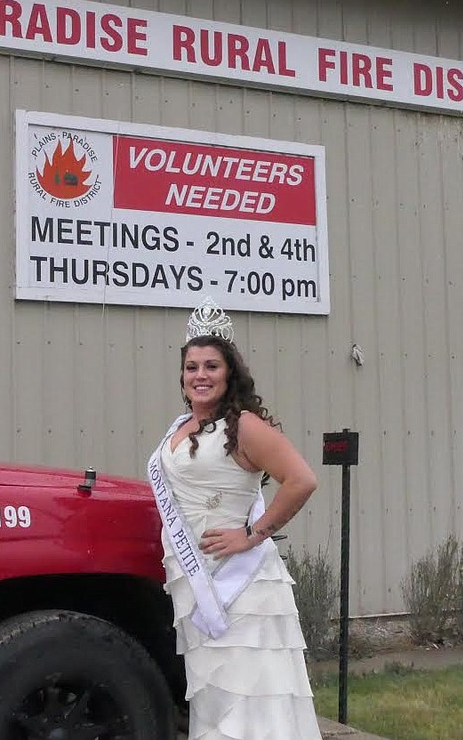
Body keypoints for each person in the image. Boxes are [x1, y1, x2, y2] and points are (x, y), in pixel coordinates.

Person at [146, 297, 322, 740]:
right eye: (192, 367)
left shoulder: (243, 426)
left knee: (254, 694)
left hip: (242, 586)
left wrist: (251, 535)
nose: (200, 376)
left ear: (230, 374)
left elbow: (301, 480)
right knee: (216, 693)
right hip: (195, 582)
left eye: (211, 366)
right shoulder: (180, 427)